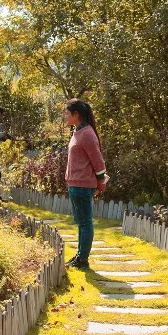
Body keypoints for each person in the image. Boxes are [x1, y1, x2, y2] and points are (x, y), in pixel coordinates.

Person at [63, 99, 108, 270]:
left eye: (67, 113)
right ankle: (80, 255)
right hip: (75, 184)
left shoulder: (87, 134)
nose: (65, 116)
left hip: (83, 185)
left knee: (85, 223)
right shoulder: (77, 131)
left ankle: (83, 259)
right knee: (81, 222)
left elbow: (98, 162)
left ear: (76, 115)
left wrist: (100, 184)